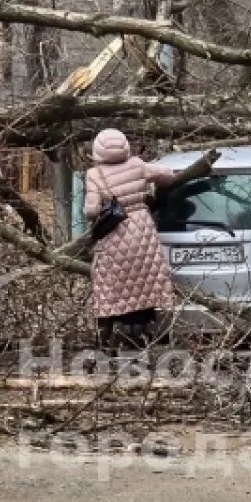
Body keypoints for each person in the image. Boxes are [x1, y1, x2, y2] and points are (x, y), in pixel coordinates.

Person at [83, 128, 177, 350]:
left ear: (97, 150)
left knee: (112, 285)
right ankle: (144, 334)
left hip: (115, 233)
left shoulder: (94, 174)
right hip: (142, 229)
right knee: (145, 281)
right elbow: (168, 175)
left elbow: (91, 211)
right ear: (125, 146)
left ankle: (111, 337)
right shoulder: (137, 165)